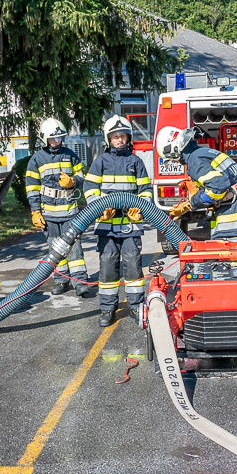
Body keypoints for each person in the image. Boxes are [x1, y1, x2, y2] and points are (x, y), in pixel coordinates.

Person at [83, 115, 152, 327]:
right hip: (106, 225)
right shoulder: (100, 162)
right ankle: (107, 308)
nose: (119, 139)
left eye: (123, 136)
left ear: (128, 138)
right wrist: (99, 210)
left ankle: (136, 306)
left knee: (133, 266)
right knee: (108, 267)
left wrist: (140, 209)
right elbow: (89, 189)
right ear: (108, 138)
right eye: (115, 136)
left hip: (130, 225)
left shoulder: (136, 162)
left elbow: (146, 190)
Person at [156, 126, 237, 239]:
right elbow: (221, 180)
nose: (174, 162)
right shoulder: (204, 152)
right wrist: (198, 186)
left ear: (174, 150)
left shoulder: (195, 160)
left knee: (223, 249)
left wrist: (192, 203)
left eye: (170, 159)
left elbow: (217, 188)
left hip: (234, 217)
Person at [25, 118, 91, 298]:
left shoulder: (70, 155)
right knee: (54, 248)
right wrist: (35, 211)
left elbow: (81, 176)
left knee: (74, 247)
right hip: (49, 213)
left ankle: (80, 282)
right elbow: (32, 187)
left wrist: (73, 181)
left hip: (70, 211)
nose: (58, 141)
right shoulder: (37, 159)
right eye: (54, 138)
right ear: (45, 138)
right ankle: (61, 281)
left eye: (60, 137)